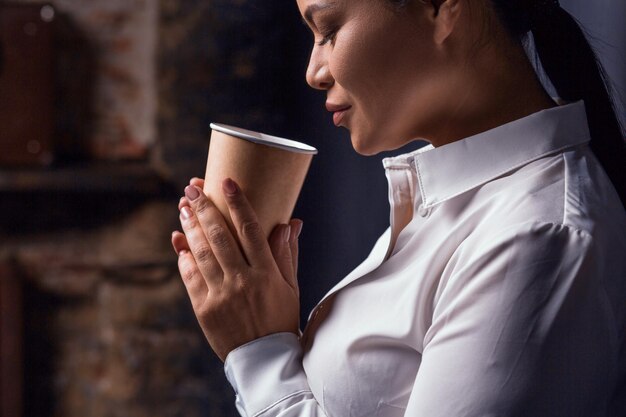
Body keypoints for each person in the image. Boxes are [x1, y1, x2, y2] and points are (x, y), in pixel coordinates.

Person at [171, 0, 626, 415]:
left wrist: (259, 352)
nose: (314, 71)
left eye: (328, 30)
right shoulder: (453, 205)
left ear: (441, 8)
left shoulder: (536, 236)